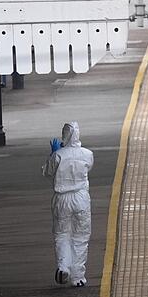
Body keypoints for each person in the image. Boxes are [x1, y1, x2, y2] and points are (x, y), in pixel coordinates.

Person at [42, 122, 94, 287]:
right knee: (80, 237)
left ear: (64, 135)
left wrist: (54, 153)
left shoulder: (58, 156)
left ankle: (63, 266)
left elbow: (47, 172)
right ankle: (78, 277)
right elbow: (87, 168)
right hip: (81, 197)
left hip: (62, 199)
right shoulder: (87, 154)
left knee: (62, 234)